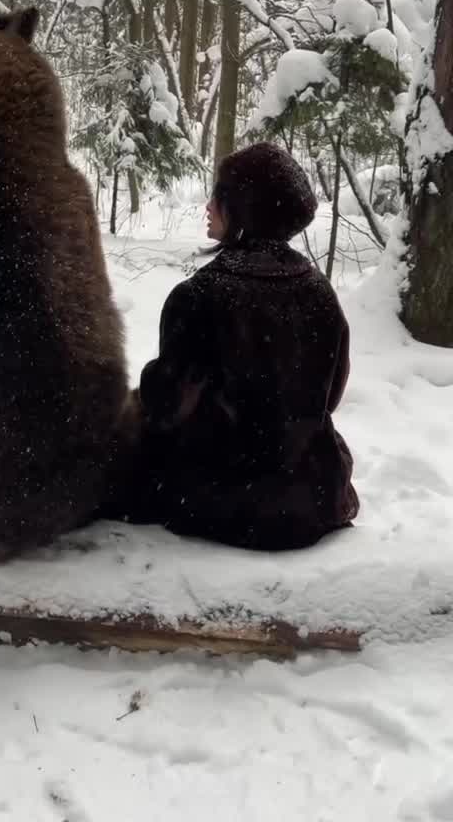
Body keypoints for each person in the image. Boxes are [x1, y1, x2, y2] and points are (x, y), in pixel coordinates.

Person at [117, 141, 359, 551]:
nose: (208, 206)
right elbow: (329, 397)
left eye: (219, 196)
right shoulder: (319, 291)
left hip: (222, 503)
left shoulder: (197, 296)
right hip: (313, 498)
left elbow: (166, 407)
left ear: (243, 210)